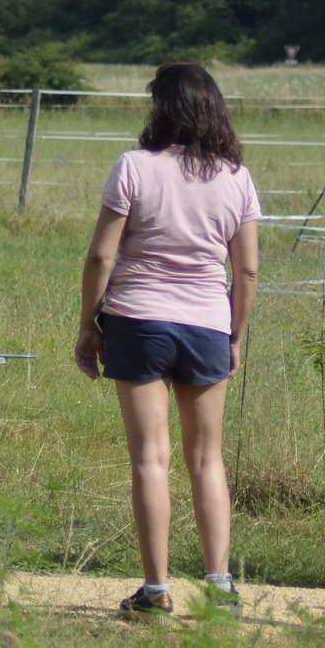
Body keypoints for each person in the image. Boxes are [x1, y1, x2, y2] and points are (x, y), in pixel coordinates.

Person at [74, 63, 261, 618]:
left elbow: (101, 256)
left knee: (151, 459)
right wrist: (234, 334)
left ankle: (156, 590)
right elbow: (247, 271)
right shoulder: (237, 177)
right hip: (207, 323)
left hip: (137, 320)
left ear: (163, 108)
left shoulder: (134, 166)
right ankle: (220, 587)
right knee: (207, 458)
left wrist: (87, 325)